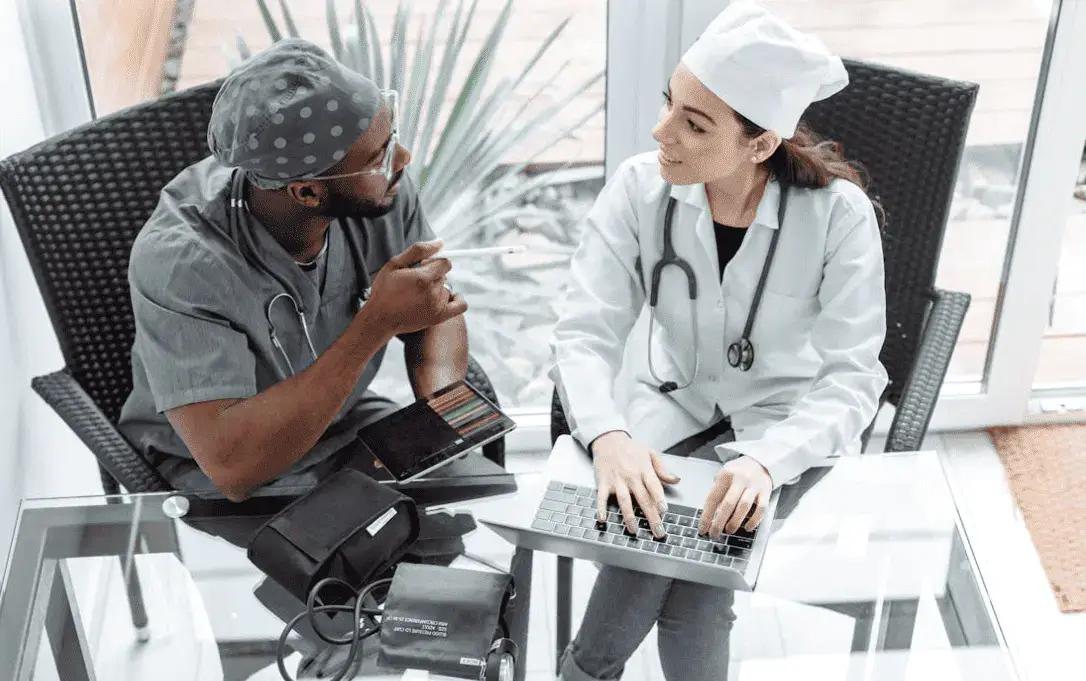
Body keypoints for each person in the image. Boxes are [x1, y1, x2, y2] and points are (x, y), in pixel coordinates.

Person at [549, 3, 889, 680]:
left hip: (783, 428)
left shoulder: (838, 216)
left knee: (681, 573)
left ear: (759, 145)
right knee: (678, 562)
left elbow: (855, 378)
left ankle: (582, 672)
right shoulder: (638, 190)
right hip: (666, 409)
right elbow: (583, 330)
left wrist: (767, 461)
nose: (660, 131)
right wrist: (609, 437)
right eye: (669, 104)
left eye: (694, 123)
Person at [117, 39, 468, 502]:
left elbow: (433, 308)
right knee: (377, 543)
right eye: (379, 157)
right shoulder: (183, 264)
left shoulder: (379, 192)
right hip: (228, 471)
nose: (401, 160)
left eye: (392, 139)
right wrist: (374, 326)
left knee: (463, 521)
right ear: (306, 193)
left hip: (347, 425)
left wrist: (443, 412)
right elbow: (234, 468)